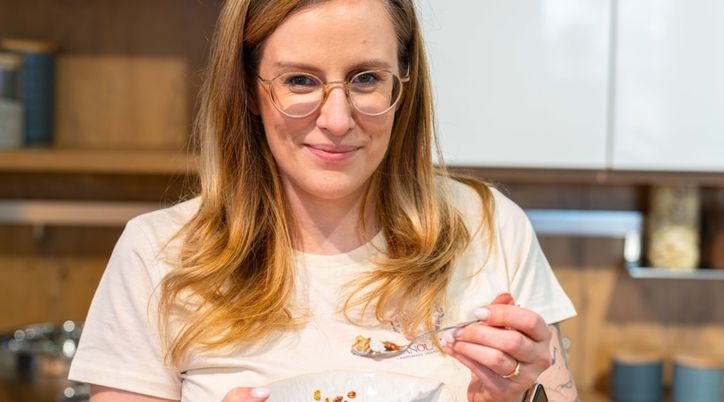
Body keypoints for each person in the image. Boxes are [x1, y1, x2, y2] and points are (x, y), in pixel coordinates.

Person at [68, 0, 578, 401]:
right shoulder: (157, 254)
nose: (336, 120)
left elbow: (550, 394)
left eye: (366, 79)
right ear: (248, 88)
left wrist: (509, 399)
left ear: (404, 83)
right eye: (299, 80)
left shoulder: (488, 227)